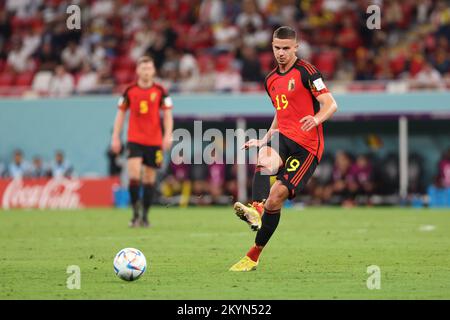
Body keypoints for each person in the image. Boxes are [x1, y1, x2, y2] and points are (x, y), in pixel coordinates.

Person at [229, 26, 338, 272]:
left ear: (296, 48)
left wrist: (317, 119)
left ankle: (253, 255)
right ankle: (255, 209)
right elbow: (281, 111)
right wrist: (265, 137)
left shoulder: (308, 72)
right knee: (264, 156)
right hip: (285, 135)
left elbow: (331, 104)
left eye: (286, 48)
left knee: (276, 198)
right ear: (272, 47)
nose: (281, 53)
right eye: (277, 48)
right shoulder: (270, 80)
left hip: (308, 146)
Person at [111, 55, 173, 228]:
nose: (146, 71)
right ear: (138, 71)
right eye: (143, 68)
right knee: (134, 174)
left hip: (154, 141)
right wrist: (115, 136)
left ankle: (145, 216)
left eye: (149, 68)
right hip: (134, 139)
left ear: (153, 70)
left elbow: (168, 114)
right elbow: (121, 114)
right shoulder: (129, 91)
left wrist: (168, 134)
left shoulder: (161, 91)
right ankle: (135, 214)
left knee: (149, 178)